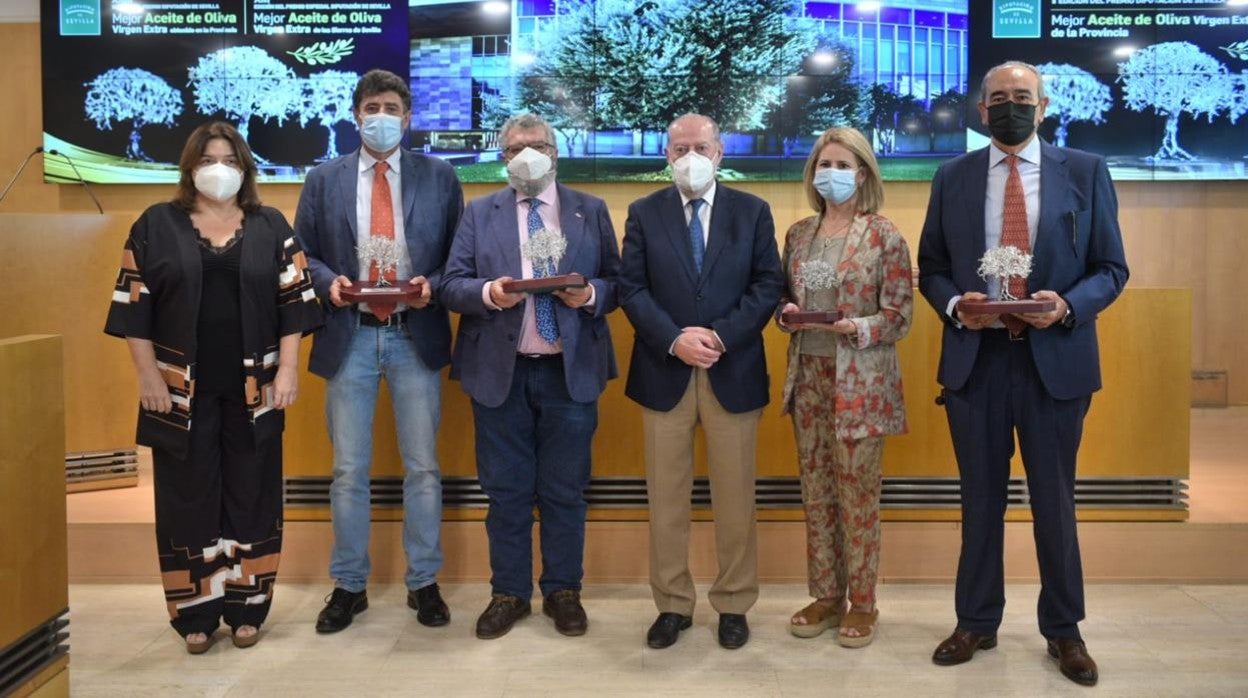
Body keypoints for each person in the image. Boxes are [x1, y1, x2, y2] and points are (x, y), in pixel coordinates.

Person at [917, 61, 1128, 686]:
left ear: (1044, 106)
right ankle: (975, 620)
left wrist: (1066, 306)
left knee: (1054, 502)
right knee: (978, 501)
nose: (1011, 106)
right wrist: (958, 306)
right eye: (999, 98)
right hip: (976, 362)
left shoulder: (1085, 171)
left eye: (1023, 97)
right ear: (981, 111)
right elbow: (930, 266)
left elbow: (1111, 268)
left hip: (1055, 364)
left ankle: (1064, 631)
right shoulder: (952, 176)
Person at [105, 121, 322, 653]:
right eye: (207, 160)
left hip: (258, 390)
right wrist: (148, 376)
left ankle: (247, 607)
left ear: (245, 167)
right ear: (189, 167)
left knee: (253, 495)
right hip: (177, 392)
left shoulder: (272, 225)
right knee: (187, 499)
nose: (218, 169)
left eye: (228, 159)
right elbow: (133, 309)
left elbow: (294, 305)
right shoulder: (155, 224)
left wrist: (289, 370)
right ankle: (195, 614)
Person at [440, 113, 622, 640]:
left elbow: (617, 281)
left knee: (565, 490)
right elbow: (453, 284)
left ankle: (564, 591)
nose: (528, 154)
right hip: (500, 371)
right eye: (516, 147)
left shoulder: (590, 210)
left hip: (571, 371)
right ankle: (509, 593)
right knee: (506, 491)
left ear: (555, 152)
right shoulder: (480, 213)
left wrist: (589, 295)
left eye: (537, 144)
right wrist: (488, 294)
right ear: (503, 157)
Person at [294, 69, 464, 633]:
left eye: (391, 106)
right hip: (352, 334)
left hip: (416, 334)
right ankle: (348, 584)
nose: (381, 116)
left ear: (408, 115)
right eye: (372, 106)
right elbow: (305, 254)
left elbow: (458, 256)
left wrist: (432, 286)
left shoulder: (440, 178)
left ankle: (424, 582)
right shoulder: (324, 179)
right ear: (356, 113)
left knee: (423, 468)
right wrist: (327, 283)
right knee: (348, 470)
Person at [619, 113, 783, 650]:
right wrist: (674, 339)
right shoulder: (644, 213)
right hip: (663, 370)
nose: (690, 155)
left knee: (735, 499)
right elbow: (632, 289)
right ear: (667, 155)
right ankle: (672, 605)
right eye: (679, 147)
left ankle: (734, 603)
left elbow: (767, 285)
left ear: (719, 152)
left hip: (730, 369)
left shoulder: (752, 211)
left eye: (701, 146)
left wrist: (717, 336)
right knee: (666, 501)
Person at [775, 126, 913, 648]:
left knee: (857, 497)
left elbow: (900, 316)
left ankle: (864, 602)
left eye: (841, 164)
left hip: (860, 383)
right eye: (822, 164)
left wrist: (858, 327)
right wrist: (785, 316)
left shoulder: (884, 235)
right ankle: (826, 595)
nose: (830, 173)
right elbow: (785, 301)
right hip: (807, 377)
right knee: (816, 493)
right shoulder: (798, 235)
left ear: (863, 173)